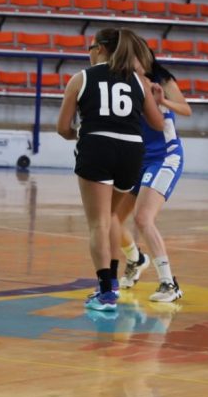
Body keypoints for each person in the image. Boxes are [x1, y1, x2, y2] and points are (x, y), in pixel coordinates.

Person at [56, 27, 166, 313]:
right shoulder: (138, 80)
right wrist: (155, 99)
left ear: (101, 49)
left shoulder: (81, 78)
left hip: (97, 147)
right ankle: (113, 282)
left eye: (90, 48)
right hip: (132, 151)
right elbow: (157, 124)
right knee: (113, 217)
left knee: (99, 224)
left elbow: (63, 128)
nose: (89, 53)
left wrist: (81, 134)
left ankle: (106, 292)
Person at [115, 42, 190, 303]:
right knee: (111, 220)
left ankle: (169, 283)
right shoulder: (125, 85)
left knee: (143, 218)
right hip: (138, 158)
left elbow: (186, 109)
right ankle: (136, 258)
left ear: (144, 57)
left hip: (165, 156)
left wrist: (163, 101)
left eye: (131, 56)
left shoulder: (163, 80)